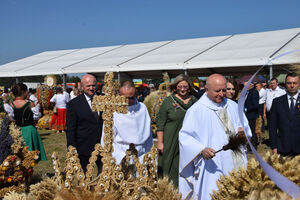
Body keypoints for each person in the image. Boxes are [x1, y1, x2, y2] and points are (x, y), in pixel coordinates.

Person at [179, 74, 252, 200]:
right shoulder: (196, 110)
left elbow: (245, 127)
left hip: (237, 160)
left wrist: (243, 133)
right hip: (213, 165)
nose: (222, 94)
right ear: (206, 89)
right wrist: (201, 149)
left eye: (224, 90)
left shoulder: (233, 106)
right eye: (217, 91)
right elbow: (186, 137)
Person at [156, 74, 198, 187]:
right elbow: (161, 124)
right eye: (180, 87)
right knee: (171, 165)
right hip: (171, 139)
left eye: (185, 86)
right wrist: (160, 142)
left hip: (189, 140)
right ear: (175, 87)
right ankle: (171, 191)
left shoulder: (195, 101)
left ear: (189, 87)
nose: (183, 89)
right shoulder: (168, 101)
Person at [102, 81, 153, 164]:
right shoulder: (113, 111)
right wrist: (119, 156)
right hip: (121, 154)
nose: (128, 101)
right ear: (119, 95)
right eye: (124, 98)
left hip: (142, 155)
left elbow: (148, 134)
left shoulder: (142, 108)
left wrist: (150, 154)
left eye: (131, 98)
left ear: (136, 94)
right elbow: (107, 138)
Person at [66, 74, 103, 172]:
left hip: (103, 147)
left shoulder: (104, 100)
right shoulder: (73, 104)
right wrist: (72, 150)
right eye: (88, 86)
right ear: (82, 87)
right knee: (85, 180)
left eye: (93, 85)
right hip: (83, 148)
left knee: (104, 179)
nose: (91, 88)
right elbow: (70, 129)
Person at [10, 83, 47, 161]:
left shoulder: (11, 105)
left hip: (16, 131)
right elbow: (36, 116)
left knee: (19, 154)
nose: (28, 93)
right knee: (31, 153)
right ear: (23, 92)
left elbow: (11, 118)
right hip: (29, 130)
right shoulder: (29, 104)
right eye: (27, 91)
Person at [269, 73, 300, 156]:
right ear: (285, 84)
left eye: (295, 83)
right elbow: (272, 126)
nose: (292, 86)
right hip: (283, 147)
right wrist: (274, 146)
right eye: (289, 83)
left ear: (299, 84)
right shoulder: (277, 102)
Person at [243, 81, 259, 149]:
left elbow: (255, 105)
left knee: (252, 131)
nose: (244, 87)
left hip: (251, 115)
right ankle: (249, 145)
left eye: (245, 86)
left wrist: (246, 109)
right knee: (247, 131)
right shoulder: (248, 92)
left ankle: (253, 146)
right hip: (247, 115)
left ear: (251, 85)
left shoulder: (254, 92)